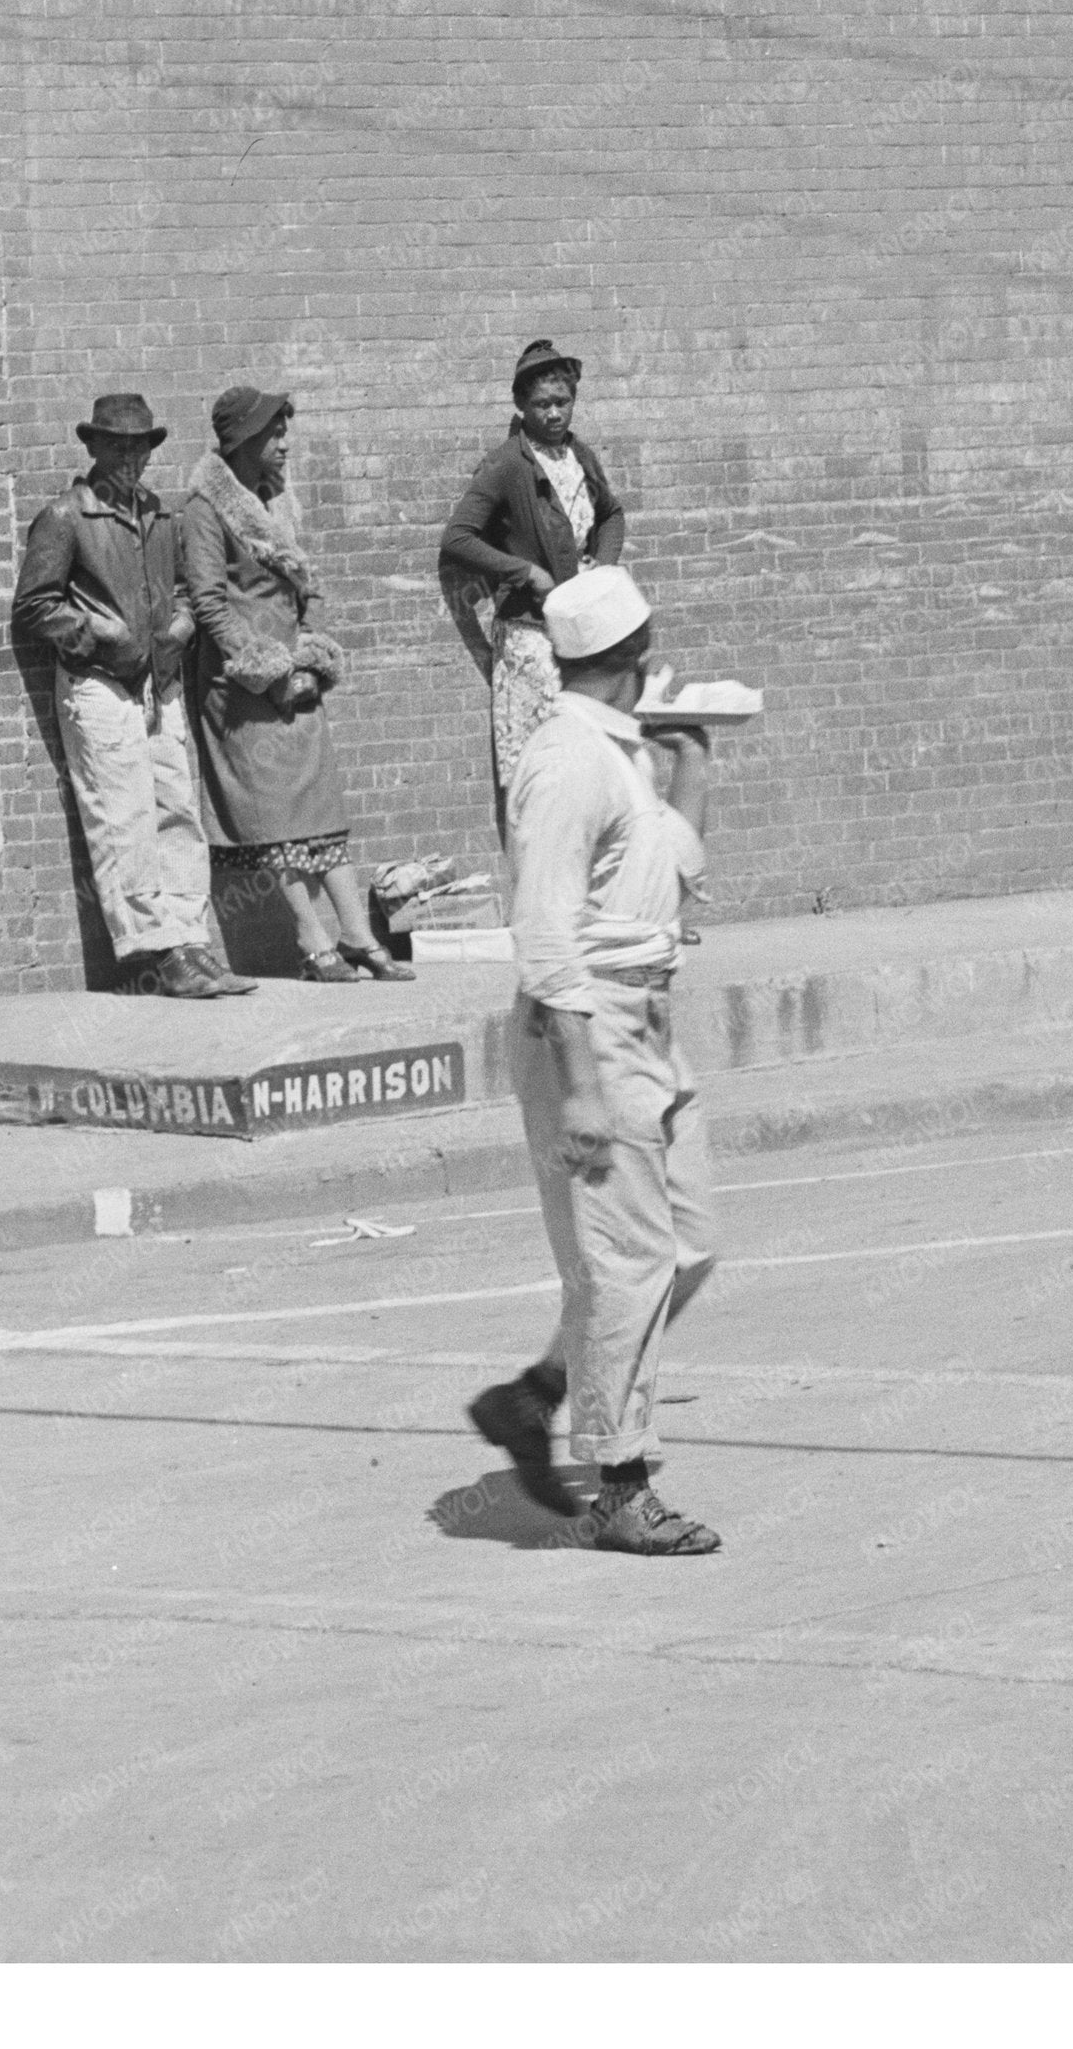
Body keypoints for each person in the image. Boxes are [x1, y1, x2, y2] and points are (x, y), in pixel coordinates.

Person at [465, 566, 723, 1557]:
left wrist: (689, 774)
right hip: (594, 1031)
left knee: (684, 1242)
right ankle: (621, 1480)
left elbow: (657, 882)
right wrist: (576, 1083)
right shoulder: (568, 759)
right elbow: (544, 930)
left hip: (648, 1021)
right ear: (637, 657)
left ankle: (532, 1399)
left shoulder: (618, 753)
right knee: (625, 1260)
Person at [175, 382, 423, 982]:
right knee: (276, 816)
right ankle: (313, 941)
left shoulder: (276, 500)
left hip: (294, 677)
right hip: (242, 687)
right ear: (243, 442)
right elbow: (209, 606)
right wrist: (267, 674)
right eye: (274, 433)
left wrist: (307, 658)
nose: (285, 443)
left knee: (320, 805)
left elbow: (299, 593)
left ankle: (356, 934)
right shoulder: (205, 512)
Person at [17, 389, 241, 998]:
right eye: (116, 446)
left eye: (139, 447)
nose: (129, 458)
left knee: (177, 809)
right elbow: (35, 607)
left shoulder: (159, 516)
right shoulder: (66, 517)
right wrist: (96, 633)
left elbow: (187, 590)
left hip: (160, 680)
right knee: (125, 816)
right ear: (91, 446)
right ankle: (151, 953)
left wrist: (183, 626)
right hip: (100, 684)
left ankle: (190, 941)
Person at [437, 338, 626, 809]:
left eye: (562, 403)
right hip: (530, 639)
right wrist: (524, 572)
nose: (554, 414)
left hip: (579, 634)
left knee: (583, 762)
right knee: (537, 771)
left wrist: (602, 567)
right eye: (542, 405)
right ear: (521, 406)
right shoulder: (507, 465)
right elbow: (457, 538)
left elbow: (612, 514)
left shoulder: (578, 455)